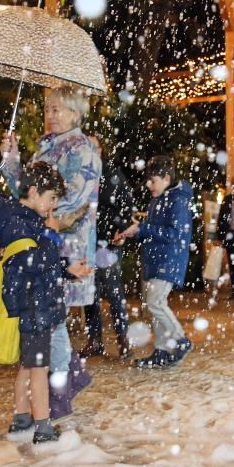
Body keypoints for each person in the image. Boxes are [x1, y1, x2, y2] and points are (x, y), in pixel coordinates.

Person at [0, 86, 101, 418]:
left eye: (58, 109)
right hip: (41, 236)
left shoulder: (83, 147)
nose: (51, 115)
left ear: (76, 112)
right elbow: (26, 189)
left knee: (51, 313)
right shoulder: (45, 144)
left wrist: (49, 212)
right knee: (48, 313)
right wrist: (11, 159)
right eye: (48, 109)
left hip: (65, 240)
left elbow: (73, 194)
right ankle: (68, 377)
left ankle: (61, 385)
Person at [0, 162, 93, 441]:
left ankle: (21, 417)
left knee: (27, 366)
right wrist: (51, 234)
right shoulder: (24, 225)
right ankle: (42, 426)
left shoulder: (20, 221)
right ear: (35, 191)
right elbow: (32, 262)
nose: (52, 206)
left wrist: (67, 269)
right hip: (35, 307)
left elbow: (41, 265)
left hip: (32, 305)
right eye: (51, 198)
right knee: (39, 369)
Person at [115, 154, 194, 368]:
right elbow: (155, 230)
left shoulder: (178, 200)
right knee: (156, 305)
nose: (149, 185)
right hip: (156, 259)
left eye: (153, 181)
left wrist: (142, 228)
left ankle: (179, 339)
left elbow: (175, 234)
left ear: (167, 178)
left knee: (155, 302)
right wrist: (136, 230)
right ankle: (161, 350)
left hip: (168, 259)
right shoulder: (160, 198)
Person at [83, 136, 135, 358]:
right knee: (89, 293)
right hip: (85, 241)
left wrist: (120, 229)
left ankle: (123, 339)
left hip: (107, 242)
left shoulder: (112, 174)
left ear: (101, 150)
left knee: (113, 290)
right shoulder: (80, 175)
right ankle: (95, 340)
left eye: (93, 147)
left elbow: (126, 205)